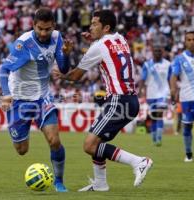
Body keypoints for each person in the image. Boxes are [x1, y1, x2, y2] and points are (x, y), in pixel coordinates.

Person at [54, 9, 153, 191]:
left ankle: (139, 161)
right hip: (130, 100)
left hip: (118, 100)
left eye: (94, 24)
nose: (90, 27)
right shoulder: (120, 39)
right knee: (98, 144)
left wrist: (60, 73)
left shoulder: (98, 47)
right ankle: (100, 184)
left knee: (89, 145)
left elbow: (75, 76)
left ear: (106, 27)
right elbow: (108, 48)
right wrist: (94, 38)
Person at [0, 8, 73, 192]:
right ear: (33, 25)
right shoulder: (23, 44)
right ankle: (23, 129)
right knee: (22, 150)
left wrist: (66, 54)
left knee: (54, 140)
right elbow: (3, 70)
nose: (43, 33)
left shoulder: (57, 37)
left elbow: (63, 69)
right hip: (19, 99)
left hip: (42, 96)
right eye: (40, 28)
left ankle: (59, 181)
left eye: (47, 29)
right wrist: (6, 94)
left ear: (53, 26)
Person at [170, 30, 194, 162]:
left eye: (193, 39)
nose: (191, 42)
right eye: (188, 40)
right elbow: (174, 76)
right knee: (187, 128)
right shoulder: (180, 59)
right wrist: (173, 91)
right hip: (185, 98)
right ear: (185, 42)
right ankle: (189, 154)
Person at [138, 45, 171, 146]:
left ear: (162, 52)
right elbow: (142, 79)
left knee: (159, 114)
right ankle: (154, 138)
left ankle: (159, 139)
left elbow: (171, 79)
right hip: (151, 94)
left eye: (159, 51)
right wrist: (141, 91)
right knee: (153, 117)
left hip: (163, 94)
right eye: (155, 51)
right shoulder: (147, 65)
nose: (157, 53)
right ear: (152, 52)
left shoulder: (168, 64)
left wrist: (173, 92)